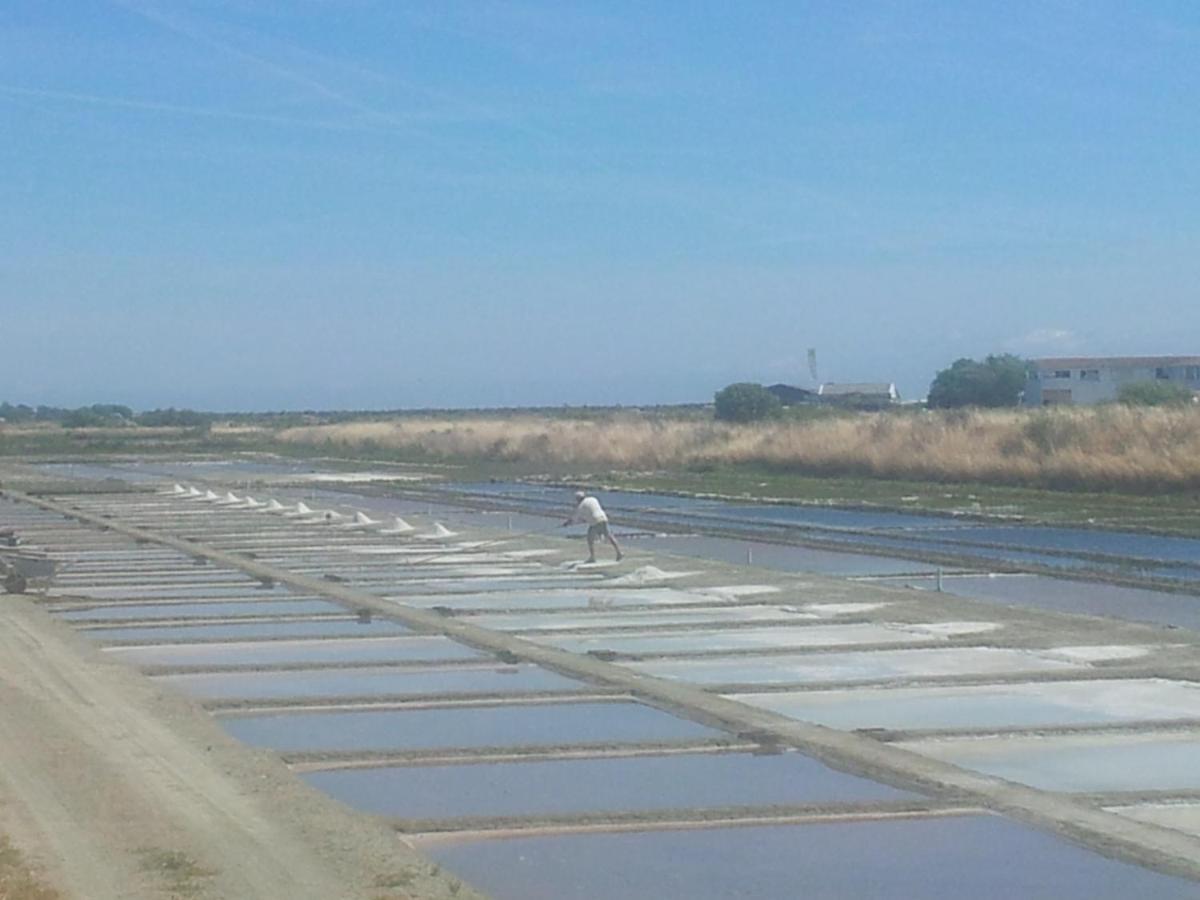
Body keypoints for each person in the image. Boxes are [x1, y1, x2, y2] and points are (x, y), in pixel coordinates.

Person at [562, 490, 622, 563]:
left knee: (590, 539)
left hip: (595, 522)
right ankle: (619, 552)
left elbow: (574, 519)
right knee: (609, 536)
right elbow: (591, 510)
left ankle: (592, 557)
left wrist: (567, 523)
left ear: (578, 499)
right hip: (603, 518)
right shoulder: (593, 499)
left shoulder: (581, 506)